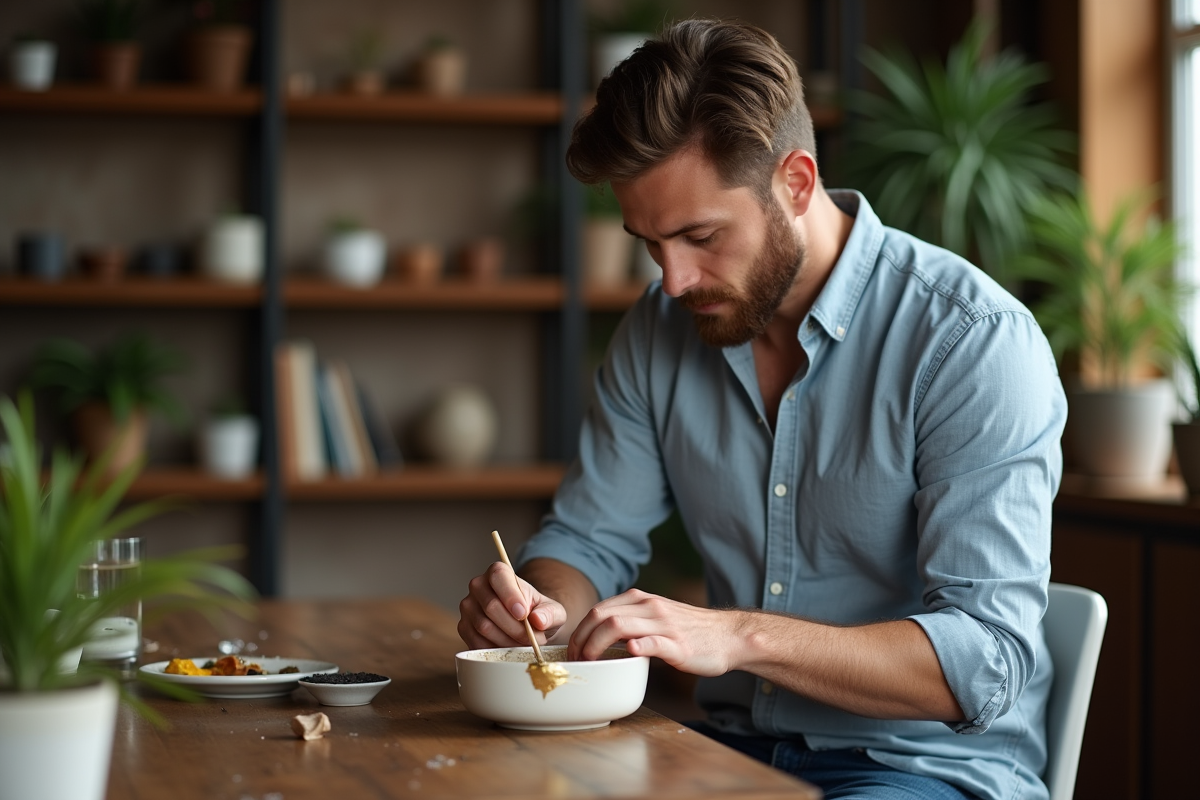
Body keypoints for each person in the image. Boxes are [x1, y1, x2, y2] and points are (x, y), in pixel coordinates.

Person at [458, 18, 1067, 800]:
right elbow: (585, 540)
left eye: (700, 236)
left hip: (920, 771)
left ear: (797, 182)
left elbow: (986, 659)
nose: (673, 281)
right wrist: (541, 609)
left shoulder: (970, 343)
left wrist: (738, 634)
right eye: (650, 243)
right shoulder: (658, 328)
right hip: (724, 755)